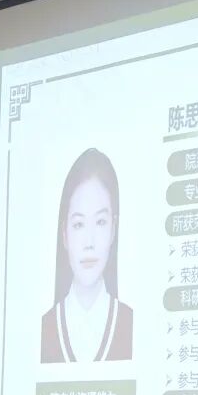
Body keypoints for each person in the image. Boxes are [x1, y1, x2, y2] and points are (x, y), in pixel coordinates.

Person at [41, 148, 133, 363]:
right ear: (64, 234)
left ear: (113, 229)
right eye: (79, 224)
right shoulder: (44, 329)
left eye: (100, 222)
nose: (89, 242)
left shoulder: (131, 324)